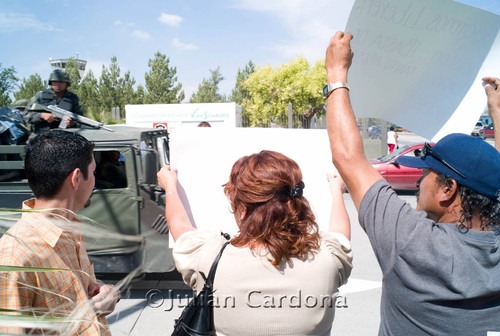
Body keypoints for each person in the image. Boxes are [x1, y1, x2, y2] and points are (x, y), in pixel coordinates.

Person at [324, 31, 500, 335]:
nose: (419, 181)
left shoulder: (411, 243)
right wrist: (496, 111)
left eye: (426, 173)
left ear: (448, 189)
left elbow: (348, 159)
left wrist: (336, 73)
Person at [157, 150, 352, 336]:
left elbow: (179, 226)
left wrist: (171, 188)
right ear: (295, 202)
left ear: (242, 209)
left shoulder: (208, 258)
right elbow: (340, 233)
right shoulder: (329, 258)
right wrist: (336, 192)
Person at [0, 130, 119, 335]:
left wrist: (107, 293)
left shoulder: (69, 228)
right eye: (92, 173)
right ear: (75, 178)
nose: (94, 181)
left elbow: (83, 293)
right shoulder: (15, 256)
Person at [24, 69, 83, 134]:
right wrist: (42, 115)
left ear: (67, 83)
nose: (58, 84)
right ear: (51, 82)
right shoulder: (40, 95)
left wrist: (72, 123)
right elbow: (26, 116)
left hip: (64, 137)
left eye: (61, 82)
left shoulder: (73, 98)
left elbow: (80, 120)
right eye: (55, 81)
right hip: (40, 136)